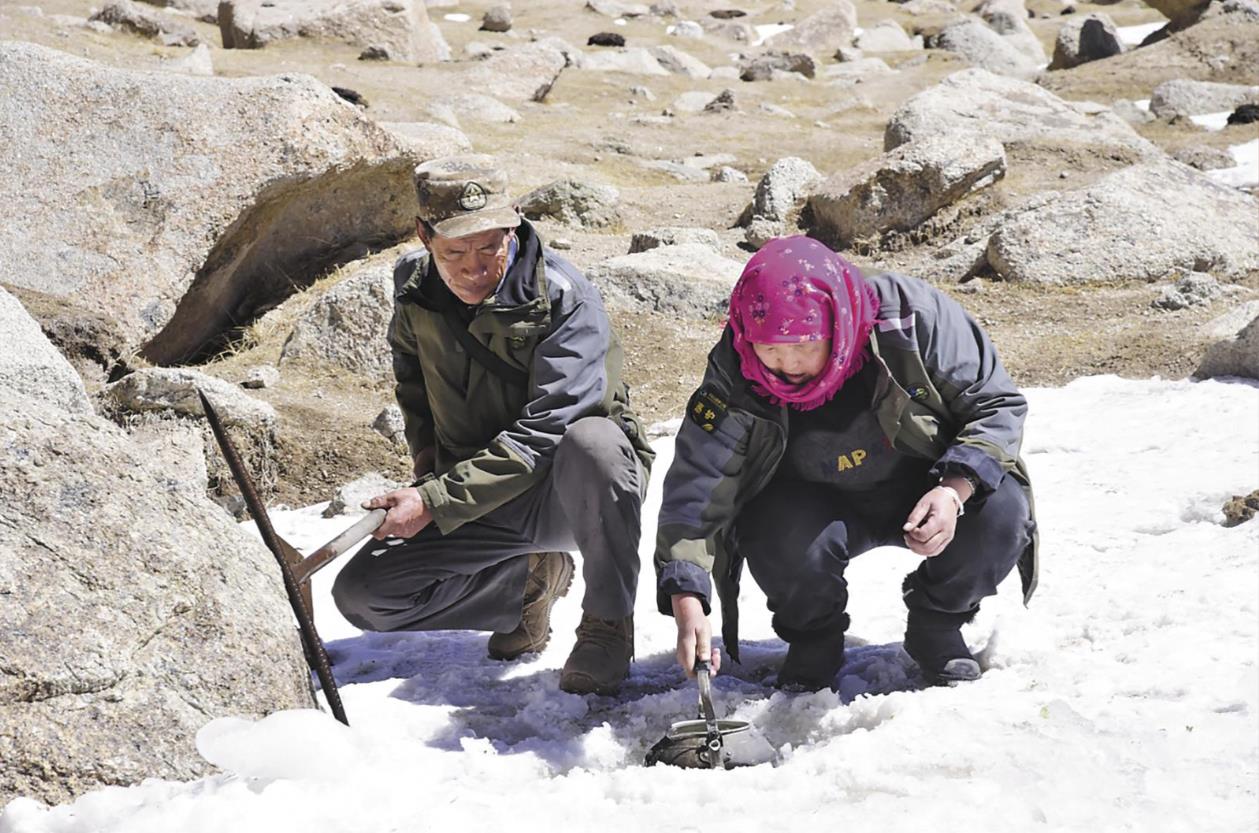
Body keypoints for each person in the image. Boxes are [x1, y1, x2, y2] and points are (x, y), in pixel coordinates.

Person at [654, 236, 1038, 691]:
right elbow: (700, 480)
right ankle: (814, 640)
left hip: (924, 486)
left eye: (805, 345)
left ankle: (937, 625)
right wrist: (686, 592)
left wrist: (954, 490)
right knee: (774, 530)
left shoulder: (911, 320)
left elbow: (996, 405)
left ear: (837, 324)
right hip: (812, 505)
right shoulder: (736, 366)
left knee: (1001, 510)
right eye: (771, 349)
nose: (787, 365)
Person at [333, 155, 654, 696]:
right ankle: (527, 585)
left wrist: (437, 501)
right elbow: (415, 392)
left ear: (515, 225)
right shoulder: (413, 289)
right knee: (366, 595)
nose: (473, 267)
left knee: (595, 442)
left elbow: (551, 428)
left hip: (569, 493)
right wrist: (426, 477)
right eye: (454, 251)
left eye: (489, 247)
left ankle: (607, 626)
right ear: (424, 235)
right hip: (478, 493)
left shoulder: (565, 298)